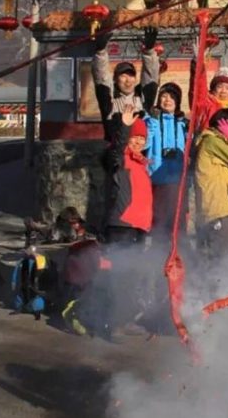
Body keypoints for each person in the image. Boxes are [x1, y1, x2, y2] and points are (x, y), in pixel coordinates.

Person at [93, 105, 154, 336]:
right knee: (119, 275)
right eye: (134, 137)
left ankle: (125, 319)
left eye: (141, 138)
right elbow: (116, 150)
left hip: (138, 227)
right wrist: (125, 127)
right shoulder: (119, 161)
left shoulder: (141, 164)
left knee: (131, 276)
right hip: (121, 225)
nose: (137, 142)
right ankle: (113, 323)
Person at [193, 108, 228, 257]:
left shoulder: (212, 143)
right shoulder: (213, 141)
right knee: (222, 259)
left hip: (218, 211)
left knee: (217, 257)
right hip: (218, 211)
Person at [93, 28, 160, 140]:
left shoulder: (143, 99)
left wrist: (149, 52)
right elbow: (102, 77)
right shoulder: (109, 101)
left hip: (140, 152)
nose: (128, 81)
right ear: (115, 79)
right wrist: (100, 52)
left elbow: (150, 76)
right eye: (123, 76)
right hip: (116, 153)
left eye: (131, 76)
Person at [145, 82, 189, 240]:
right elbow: (144, 143)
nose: (167, 100)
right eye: (164, 96)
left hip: (178, 181)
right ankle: (159, 257)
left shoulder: (183, 123)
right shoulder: (151, 120)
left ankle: (180, 258)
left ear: (177, 102)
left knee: (178, 224)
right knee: (160, 224)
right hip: (158, 180)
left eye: (172, 97)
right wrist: (153, 122)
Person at [190, 63, 228, 134]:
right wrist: (198, 64)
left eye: (227, 88)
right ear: (213, 90)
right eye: (219, 87)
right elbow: (198, 90)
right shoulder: (206, 105)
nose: (223, 91)